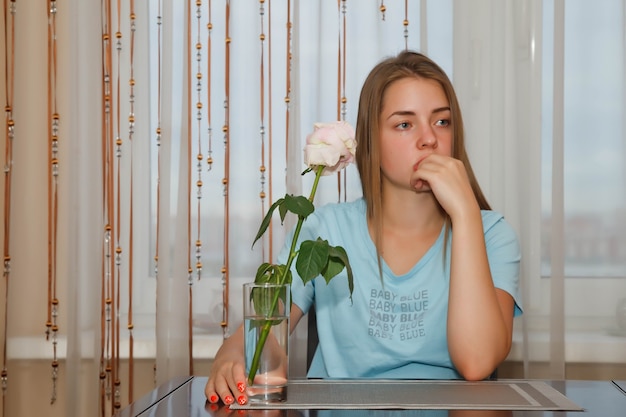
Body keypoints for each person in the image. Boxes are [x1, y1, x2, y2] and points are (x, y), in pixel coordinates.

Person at [205, 50, 522, 406]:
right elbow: (263, 330)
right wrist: (231, 353)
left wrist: (465, 213)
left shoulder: (493, 234)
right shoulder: (323, 229)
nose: (429, 139)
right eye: (404, 124)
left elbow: (477, 362)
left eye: (441, 122)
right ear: (371, 140)